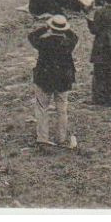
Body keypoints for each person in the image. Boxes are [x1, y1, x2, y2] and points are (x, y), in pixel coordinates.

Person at [28, 15, 78, 149]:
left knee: (42, 108)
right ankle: (61, 138)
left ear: (51, 27)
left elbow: (31, 36)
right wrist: (66, 28)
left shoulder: (43, 42)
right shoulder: (68, 43)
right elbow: (75, 37)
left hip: (44, 78)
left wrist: (45, 27)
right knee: (62, 109)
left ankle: (43, 138)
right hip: (63, 79)